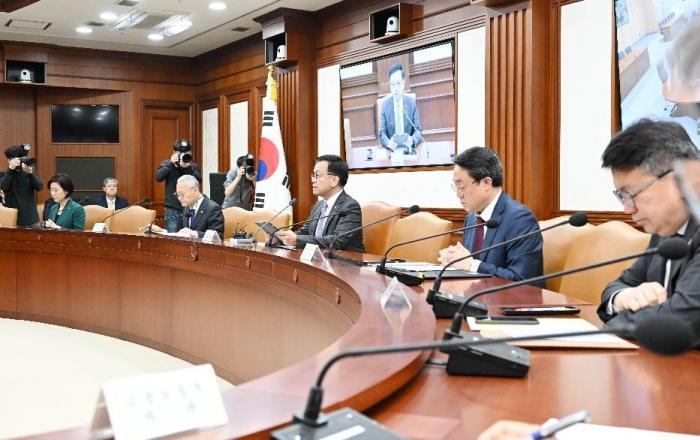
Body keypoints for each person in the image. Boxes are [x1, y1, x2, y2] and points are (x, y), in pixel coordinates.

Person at [598, 119, 700, 336]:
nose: (628, 208)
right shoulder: (665, 228)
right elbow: (620, 285)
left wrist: (613, 325)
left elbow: (681, 319)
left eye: (631, 194)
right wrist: (624, 297)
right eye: (621, 196)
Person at [437, 147, 544, 284]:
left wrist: (471, 265)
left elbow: (522, 280)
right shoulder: (472, 218)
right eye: (456, 187)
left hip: (508, 298)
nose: (458, 194)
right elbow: (466, 263)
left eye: (461, 186)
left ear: (486, 183)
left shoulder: (520, 219)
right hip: (474, 295)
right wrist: (453, 260)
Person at [276, 154, 364, 252]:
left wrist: (297, 239)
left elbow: (336, 241)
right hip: (319, 258)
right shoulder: (318, 206)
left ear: (334, 180)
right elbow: (304, 233)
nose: (312, 180)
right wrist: (281, 238)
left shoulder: (350, 207)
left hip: (344, 260)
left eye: (317, 175)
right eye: (313, 175)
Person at [151, 175, 223, 239]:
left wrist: (195, 233)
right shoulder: (187, 208)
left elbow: (218, 236)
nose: (179, 198)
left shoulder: (212, 208)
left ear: (195, 190)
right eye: (177, 195)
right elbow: (182, 233)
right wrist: (161, 231)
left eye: (182, 194)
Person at [155, 139, 201, 233]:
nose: (183, 155)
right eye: (181, 152)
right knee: (173, 238)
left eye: (186, 152)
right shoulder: (168, 164)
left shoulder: (193, 166)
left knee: (190, 237)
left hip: (191, 209)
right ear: (174, 153)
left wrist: (187, 167)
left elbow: (198, 181)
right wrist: (171, 164)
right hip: (173, 210)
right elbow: (158, 177)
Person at [379, 63, 423, 153]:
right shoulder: (385, 105)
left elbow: (418, 130)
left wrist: (412, 140)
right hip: (392, 151)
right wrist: (388, 143)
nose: (395, 88)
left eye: (398, 84)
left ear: (403, 83)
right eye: (392, 84)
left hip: (408, 150)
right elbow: (382, 133)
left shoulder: (411, 102)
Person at [1, 145, 42, 227]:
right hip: (14, 221)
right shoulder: (5, 174)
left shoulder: (29, 171)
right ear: (9, 160)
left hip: (32, 219)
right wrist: (11, 169)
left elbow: (39, 187)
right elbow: (5, 188)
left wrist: (30, 174)